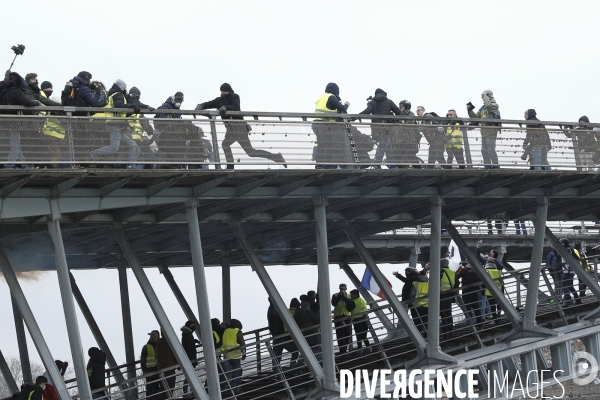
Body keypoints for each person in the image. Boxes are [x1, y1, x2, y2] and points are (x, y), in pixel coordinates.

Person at [196, 83, 285, 169]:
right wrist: (201, 105)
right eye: (222, 91)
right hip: (231, 130)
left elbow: (235, 106)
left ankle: (231, 166)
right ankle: (276, 157)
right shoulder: (219, 100)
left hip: (240, 128)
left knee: (246, 151)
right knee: (246, 151)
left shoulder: (235, 97)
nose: (223, 93)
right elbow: (209, 103)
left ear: (229, 91)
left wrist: (226, 107)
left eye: (225, 91)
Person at [89, 79, 140, 166]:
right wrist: (132, 105)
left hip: (117, 125)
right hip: (114, 124)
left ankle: (132, 166)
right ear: (122, 87)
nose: (125, 90)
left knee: (132, 145)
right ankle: (92, 155)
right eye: (125, 88)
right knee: (114, 148)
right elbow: (119, 106)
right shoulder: (118, 94)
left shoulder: (114, 94)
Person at [155, 92, 208, 168]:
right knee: (170, 151)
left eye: (180, 101)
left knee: (176, 150)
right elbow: (162, 120)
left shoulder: (176, 109)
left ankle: (178, 165)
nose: (179, 102)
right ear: (173, 99)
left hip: (173, 135)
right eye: (177, 100)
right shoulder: (166, 106)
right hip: (166, 134)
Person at [2, 72, 41, 168]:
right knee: (15, 145)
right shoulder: (15, 91)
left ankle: (25, 166)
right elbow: (27, 102)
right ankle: (8, 166)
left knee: (16, 144)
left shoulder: (4, 91)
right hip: (14, 122)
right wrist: (37, 103)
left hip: (4, 122)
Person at [359, 88, 402, 168]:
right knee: (384, 144)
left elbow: (367, 111)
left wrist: (357, 116)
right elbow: (398, 112)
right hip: (387, 127)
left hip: (376, 128)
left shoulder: (372, 102)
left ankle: (392, 165)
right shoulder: (389, 101)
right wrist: (392, 117)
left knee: (386, 144)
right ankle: (377, 163)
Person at [311, 82, 351, 169]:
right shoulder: (331, 97)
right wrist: (346, 104)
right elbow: (342, 108)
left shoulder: (322, 97)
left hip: (316, 124)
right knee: (326, 144)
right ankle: (323, 165)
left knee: (323, 144)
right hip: (323, 124)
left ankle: (321, 165)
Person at [125, 87, 158, 169]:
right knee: (149, 157)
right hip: (137, 142)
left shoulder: (123, 111)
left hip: (123, 142)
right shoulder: (141, 116)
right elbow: (150, 131)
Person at [467, 89, 501, 169]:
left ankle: (496, 166)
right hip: (484, 132)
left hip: (491, 131)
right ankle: (487, 165)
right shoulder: (482, 108)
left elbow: (488, 105)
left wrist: (484, 95)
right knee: (484, 150)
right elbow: (476, 118)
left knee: (491, 150)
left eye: (484, 96)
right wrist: (470, 110)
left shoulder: (494, 105)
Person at [391, 100, 421, 167]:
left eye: (402, 106)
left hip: (409, 140)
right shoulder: (400, 114)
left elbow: (409, 123)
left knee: (410, 156)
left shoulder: (410, 114)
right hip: (401, 140)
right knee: (397, 155)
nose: (400, 107)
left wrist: (401, 120)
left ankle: (419, 169)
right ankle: (403, 169)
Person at [220, 319, 246, 395]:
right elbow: (242, 343)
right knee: (235, 375)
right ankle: (232, 393)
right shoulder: (237, 331)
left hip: (228, 356)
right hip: (236, 356)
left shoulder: (226, 331)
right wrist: (244, 354)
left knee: (239, 371)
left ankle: (238, 388)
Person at [331, 283, 354, 354]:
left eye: (343, 289)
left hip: (347, 316)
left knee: (347, 333)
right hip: (338, 316)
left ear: (346, 289)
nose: (342, 290)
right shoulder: (335, 295)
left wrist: (344, 297)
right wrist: (340, 296)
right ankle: (342, 350)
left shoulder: (349, 295)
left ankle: (345, 347)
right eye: (341, 289)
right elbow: (334, 303)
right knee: (340, 333)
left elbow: (350, 303)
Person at [559, 238, 581, 306]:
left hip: (568, 270)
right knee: (570, 286)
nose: (560, 244)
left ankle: (568, 299)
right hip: (571, 270)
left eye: (561, 243)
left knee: (563, 285)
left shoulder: (567, 250)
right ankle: (577, 299)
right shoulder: (570, 249)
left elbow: (568, 260)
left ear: (564, 243)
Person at [155, 330, 177, 396]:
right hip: (170, 366)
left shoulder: (158, 342)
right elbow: (174, 353)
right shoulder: (170, 341)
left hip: (161, 367)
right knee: (170, 385)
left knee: (163, 386)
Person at [140, 330, 161, 399]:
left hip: (158, 370)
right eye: (152, 336)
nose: (153, 338)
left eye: (155, 336)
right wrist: (144, 370)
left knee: (156, 388)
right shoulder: (146, 347)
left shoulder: (160, 345)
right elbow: (143, 359)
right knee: (150, 388)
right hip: (149, 370)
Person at [440, 258, 457, 340]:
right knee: (449, 314)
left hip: (441, 296)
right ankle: (451, 332)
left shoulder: (440, 272)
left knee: (443, 316)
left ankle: (445, 334)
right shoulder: (452, 272)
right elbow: (457, 283)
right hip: (450, 295)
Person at [483, 257, 503, 324]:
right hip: (498, 290)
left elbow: (484, 282)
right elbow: (501, 281)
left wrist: (483, 290)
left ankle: (495, 320)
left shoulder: (486, 271)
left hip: (489, 291)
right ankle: (499, 316)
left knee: (492, 306)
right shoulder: (498, 271)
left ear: (487, 263)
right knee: (499, 304)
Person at [410, 267, 430, 337]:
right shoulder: (429, 283)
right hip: (427, 306)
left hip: (418, 306)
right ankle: (427, 335)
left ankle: (419, 336)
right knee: (427, 322)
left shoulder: (415, 284)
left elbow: (412, 295)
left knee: (418, 323)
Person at [181, 320, 199, 394]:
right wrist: (193, 359)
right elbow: (188, 347)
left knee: (190, 374)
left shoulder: (186, 334)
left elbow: (187, 344)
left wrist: (194, 341)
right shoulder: (188, 335)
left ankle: (188, 389)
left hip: (188, 357)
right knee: (191, 374)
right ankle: (189, 389)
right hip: (190, 358)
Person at [349, 289, 370, 354]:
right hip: (364, 319)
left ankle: (360, 350)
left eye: (351, 295)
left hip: (357, 320)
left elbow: (349, 309)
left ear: (355, 294)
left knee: (358, 336)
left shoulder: (354, 302)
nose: (351, 296)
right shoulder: (362, 300)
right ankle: (368, 347)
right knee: (364, 335)